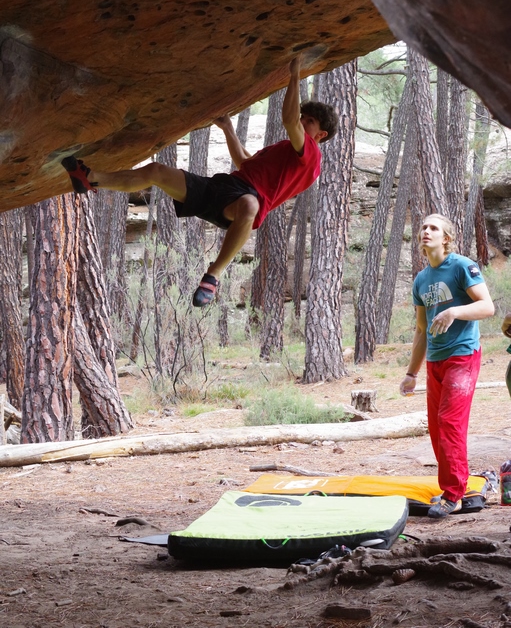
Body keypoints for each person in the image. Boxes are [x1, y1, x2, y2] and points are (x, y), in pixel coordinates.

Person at [61, 57, 338, 307]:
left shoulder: (311, 155)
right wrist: (229, 128)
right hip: (224, 189)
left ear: (321, 134)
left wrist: (294, 73)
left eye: (309, 120)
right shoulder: (285, 150)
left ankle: (213, 275)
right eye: (304, 116)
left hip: (243, 203)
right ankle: (91, 179)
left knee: (250, 205)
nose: (302, 121)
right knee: (157, 171)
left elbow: (289, 120)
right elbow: (245, 163)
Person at [400, 213, 494, 519]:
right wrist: (411, 373)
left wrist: (454, 311)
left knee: (450, 422)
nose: (426, 231)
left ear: (446, 238)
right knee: (438, 427)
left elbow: (487, 306)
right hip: (435, 360)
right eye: (423, 227)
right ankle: (452, 485)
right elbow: (420, 329)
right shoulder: (421, 279)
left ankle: (453, 495)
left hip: (463, 355)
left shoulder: (462, 266)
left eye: (434, 228)